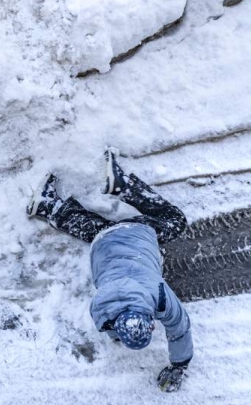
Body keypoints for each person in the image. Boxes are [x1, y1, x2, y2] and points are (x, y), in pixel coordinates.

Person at [27, 150, 193, 392]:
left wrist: (181, 365)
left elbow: (180, 329)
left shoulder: (158, 295)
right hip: (102, 248)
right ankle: (49, 207)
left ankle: (122, 185)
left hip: (136, 233)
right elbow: (116, 329)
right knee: (107, 232)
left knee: (175, 221)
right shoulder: (102, 312)